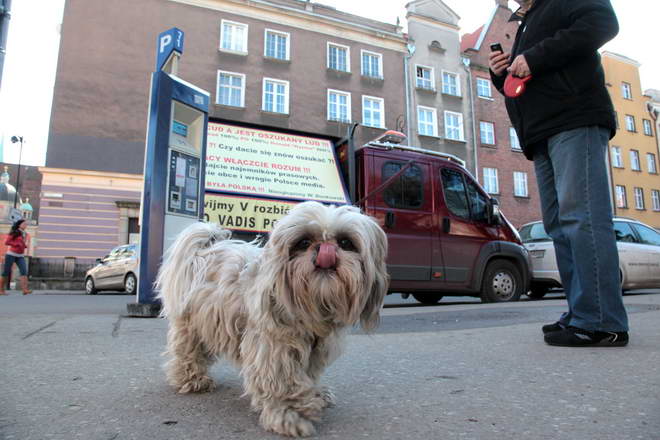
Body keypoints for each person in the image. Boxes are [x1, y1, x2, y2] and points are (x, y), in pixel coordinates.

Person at [489, 0, 629, 346]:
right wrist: (502, 73)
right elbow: (528, 81)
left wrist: (533, 57)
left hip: (575, 118)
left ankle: (603, 321)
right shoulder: (528, 20)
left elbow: (602, 23)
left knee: (582, 218)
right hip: (542, 131)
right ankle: (581, 312)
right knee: (559, 224)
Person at [1, 219, 32, 295]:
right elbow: (7, 242)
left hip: (20, 255)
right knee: (6, 272)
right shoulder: (14, 232)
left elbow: (21, 242)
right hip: (11, 254)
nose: (25, 225)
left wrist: (24, 246)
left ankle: (25, 290)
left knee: (24, 272)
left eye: (26, 224)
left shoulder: (25, 233)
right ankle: (1, 290)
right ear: (19, 225)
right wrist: (16, 244)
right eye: (24, 224)